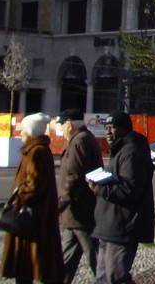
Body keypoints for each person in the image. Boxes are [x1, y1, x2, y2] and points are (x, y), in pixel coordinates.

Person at [89, 112, 155, 284]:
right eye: (106, 128)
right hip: (110, 225)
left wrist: (101, 189)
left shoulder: (131, 151)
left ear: (125, 129)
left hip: (123, 225)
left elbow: (130, 190)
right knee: (103, 278)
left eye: (113, 127)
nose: (108, 132)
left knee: (115, 277)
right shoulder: (120, 150)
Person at [0, 112, 64, 284]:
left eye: (23, 130)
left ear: (30, 132)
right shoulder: (36, 150)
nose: (20, 133)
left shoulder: (36, 152)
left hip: (32, 217)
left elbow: (34, 184)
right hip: (34, 216)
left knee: (29, 262)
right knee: (28, 265)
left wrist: (19, 198)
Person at [56, 109, 103, 284]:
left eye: (61, 126)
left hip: (79, 211)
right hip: (76, 213)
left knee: (94, 257)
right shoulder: (83, 138)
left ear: (68, 124)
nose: (60, 130)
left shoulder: (79, 141)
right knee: (68, 258)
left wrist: (61, 204)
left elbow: (73, 177)